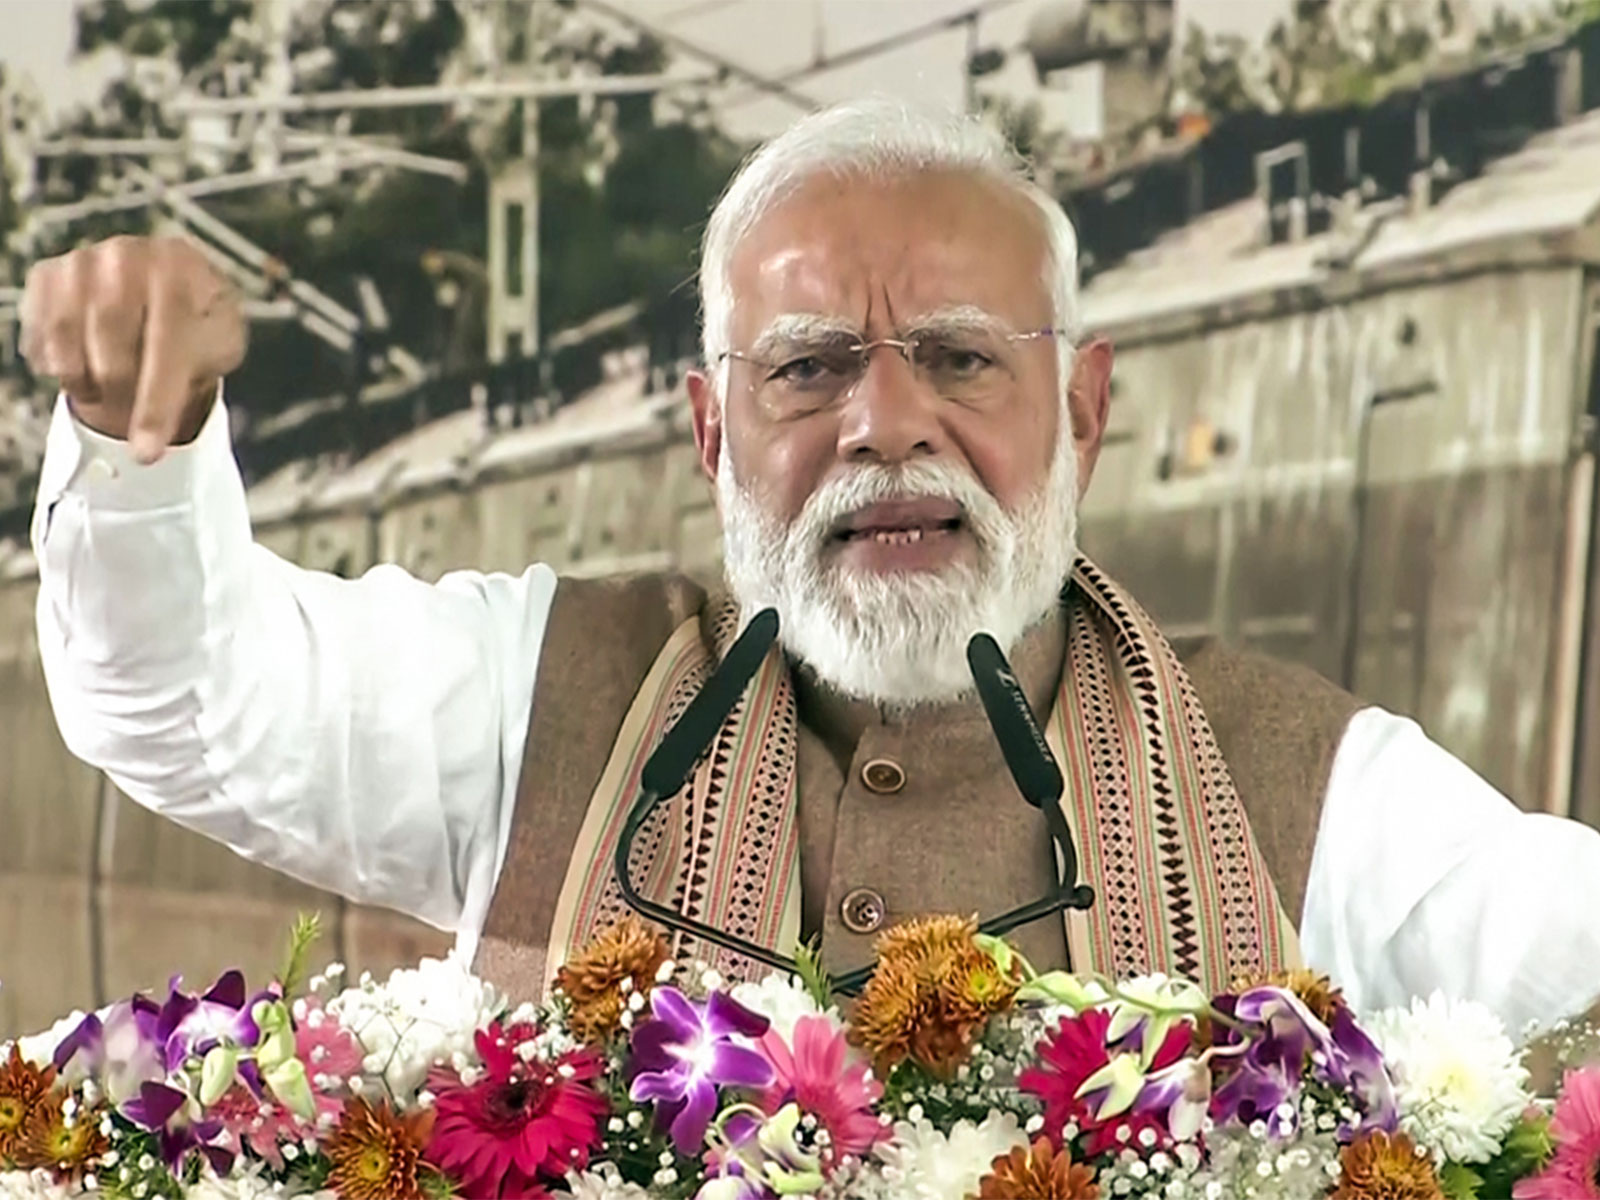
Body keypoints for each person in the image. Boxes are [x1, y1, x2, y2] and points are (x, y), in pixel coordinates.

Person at [21, 99, 1600, 1034]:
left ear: (1086, 410)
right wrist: (131, 430)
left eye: (963, 360)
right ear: (712, 432)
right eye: (809, 368)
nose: (885, 425)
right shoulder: (542, 697)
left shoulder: (1314, 799)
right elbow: (187, 699)